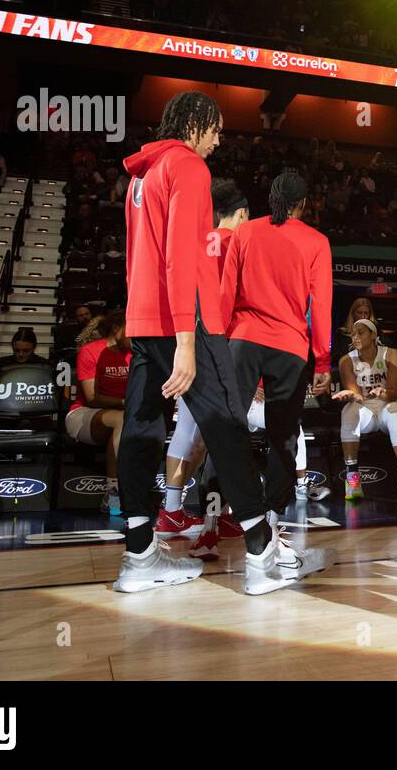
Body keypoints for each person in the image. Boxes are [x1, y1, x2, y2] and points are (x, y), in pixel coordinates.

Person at [113, 91, 320, 596]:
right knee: (227, 425)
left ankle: (139, 557)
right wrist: (187, 338)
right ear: (196, 124)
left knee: (140, 430)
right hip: (187, 323)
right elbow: (181, 259)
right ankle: (261, 553)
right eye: (217, 128)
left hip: (143, 321)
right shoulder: (186, 168)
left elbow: (140, 258)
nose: (220, 139)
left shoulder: (140, 176)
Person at [220, 170, 335, 539]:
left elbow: (226, 291)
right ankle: (270, 519)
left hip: (242, 340)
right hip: (289, 348)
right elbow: (321, 307)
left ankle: (216, 517)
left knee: (227, 428)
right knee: (282, 436)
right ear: (304, 204)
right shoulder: (317, 242)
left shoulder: (245, 231)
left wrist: (218, 341)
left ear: (272, 197)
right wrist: (322, 360)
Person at [158, 178, 252, 551]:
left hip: (187, 341)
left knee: (189, 431)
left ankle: (171, 510)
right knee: (220, 433)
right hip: (221, 344)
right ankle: (218, 519)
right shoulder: (239, 243)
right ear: (242, 213)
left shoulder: (198, 240)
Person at [333, 318, 397, 500]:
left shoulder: (391, 354)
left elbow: (393, 394)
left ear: (373, 335)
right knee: (349, 410)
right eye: (353, 334)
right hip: (367, 410)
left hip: (389, 405)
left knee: (394, 410)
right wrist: (349, 395)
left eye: (360, 332)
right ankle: (352, 477)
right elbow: (357, 396)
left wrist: (382, 393)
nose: (355, 337)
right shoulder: (346, 360)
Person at [64, 309, 130, 516]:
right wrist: (126, 402)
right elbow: (92, 398)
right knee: (122, 419)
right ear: (117, 329)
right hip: (84, 414)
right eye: (133, 329)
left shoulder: (134, 354)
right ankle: (113, 492)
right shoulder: (91, 351)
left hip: (123, 413)